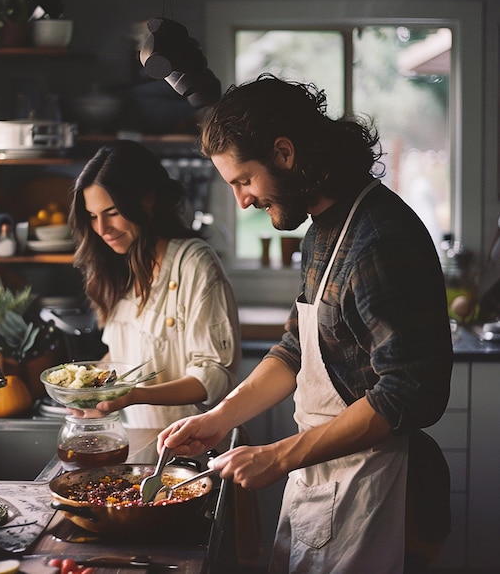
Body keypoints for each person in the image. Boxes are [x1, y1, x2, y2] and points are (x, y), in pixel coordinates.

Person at [158, 75, 453, 573]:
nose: (243, 201)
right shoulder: (322, 232)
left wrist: (279, 456)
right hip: (325, 478)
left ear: (285, 153)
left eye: (244, 180)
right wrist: (218, 419)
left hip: (375, 486)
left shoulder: (378, 239)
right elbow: (297, 350)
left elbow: (409, 393)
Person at [69, 139, 241, 429]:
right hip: (142, 444)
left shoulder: (193, 264)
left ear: (147, 200)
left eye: (112, 213)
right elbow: (128, 352)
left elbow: (213, 375)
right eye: (92, 217)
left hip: (197, 449)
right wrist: (89, 388)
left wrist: (135, 395)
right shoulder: (118, 267)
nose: (101, 229)